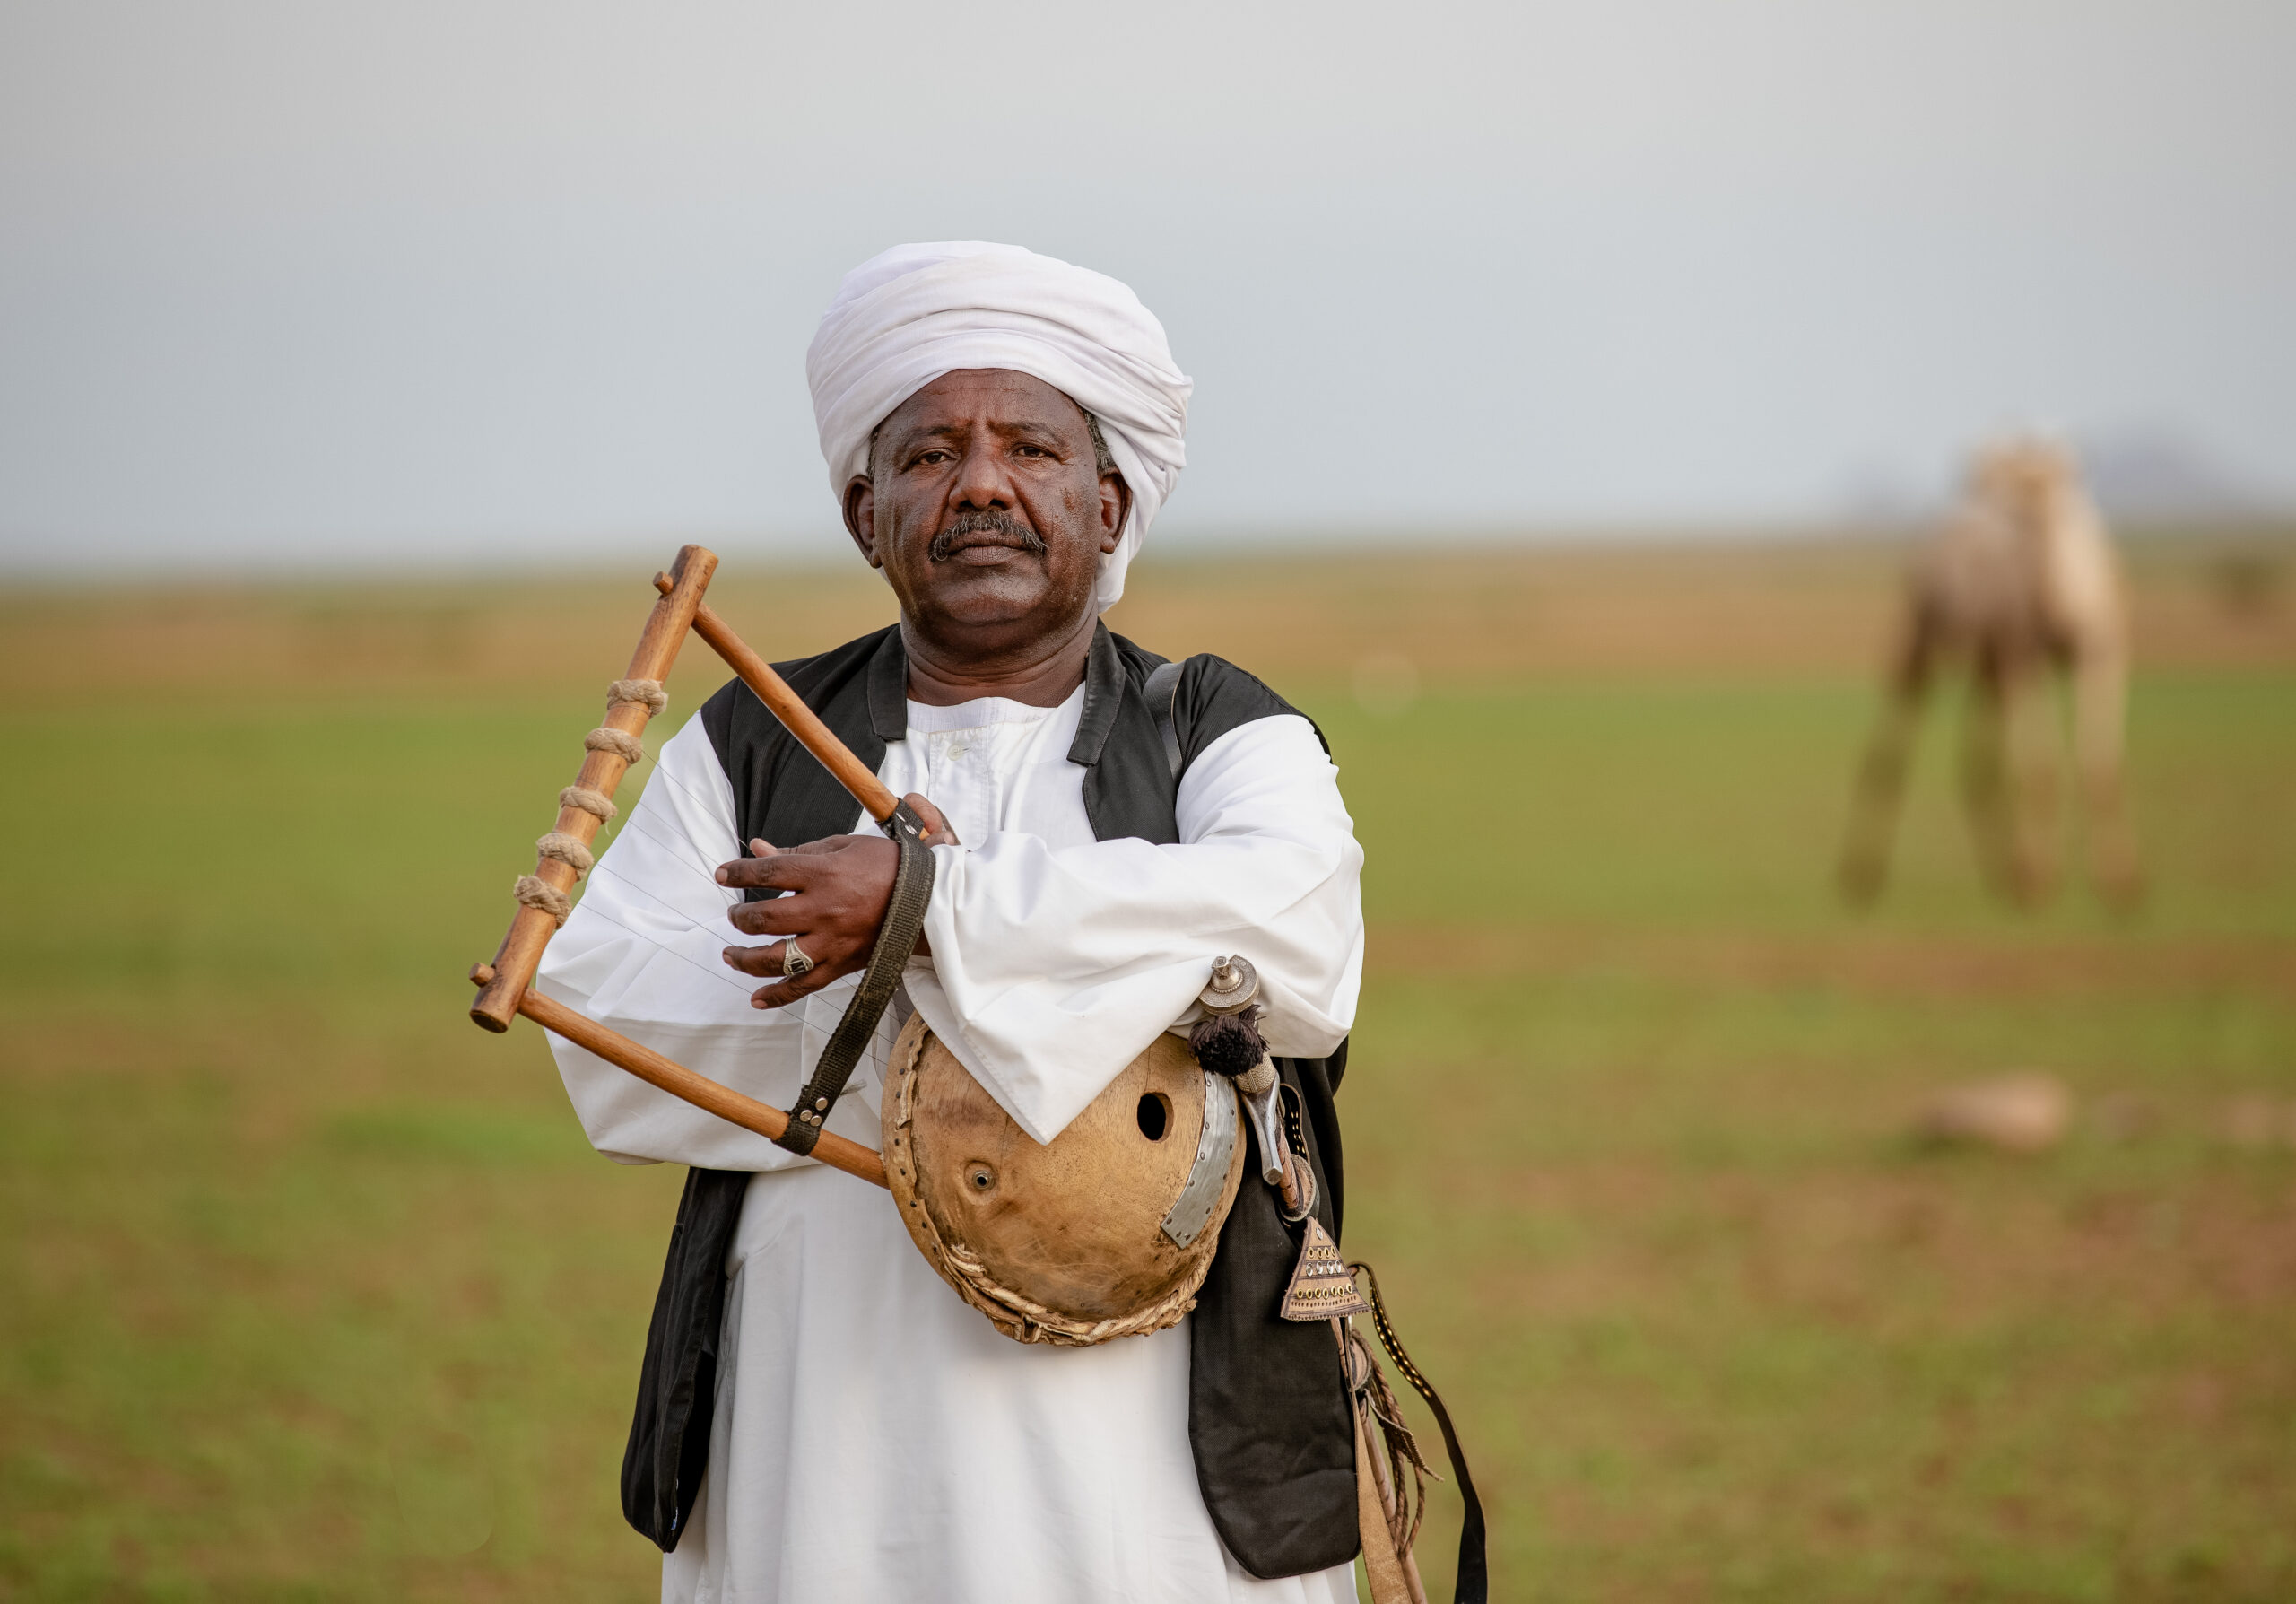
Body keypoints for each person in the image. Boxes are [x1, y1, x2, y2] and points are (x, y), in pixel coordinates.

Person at [539, 242, 1365, 1603]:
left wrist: (925, 912)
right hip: (821, 1433)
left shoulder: (1218, 727)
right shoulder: (750, 741)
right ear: (866, 514)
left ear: (1109, 502)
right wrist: (1071, 1008)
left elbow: (1300, 950)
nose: (981, 484)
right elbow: (605, 1025)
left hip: (1159, 1468)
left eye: (1029, 448)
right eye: (929, 455)